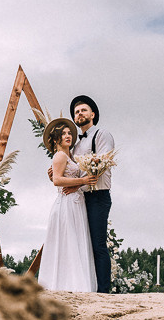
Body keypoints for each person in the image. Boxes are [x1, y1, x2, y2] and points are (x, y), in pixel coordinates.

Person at [37, 118, 99, 292]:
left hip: (76, 203)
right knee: (67, 242)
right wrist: (83, 180)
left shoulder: (70, 156)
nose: (68, 136)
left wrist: (79, 183)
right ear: (56, 139)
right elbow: (57, 180)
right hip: (66, 203)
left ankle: (77, 282)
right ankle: (66, 284)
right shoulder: (60, 156)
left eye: (69, 133)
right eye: (63, 134)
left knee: (76, 241)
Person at [69, 94, 116, 293]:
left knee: (98, 244)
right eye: (76, 112)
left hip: (98, 196)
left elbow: (104, 161)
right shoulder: (74, 145)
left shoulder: (102, 135)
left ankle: (103, 291)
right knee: (82, 244)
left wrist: (88, 172)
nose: (80, 114)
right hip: (79, 197)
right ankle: (87, 287)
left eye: (83, 110)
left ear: (93, 114)